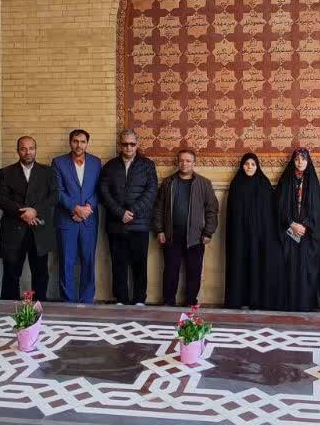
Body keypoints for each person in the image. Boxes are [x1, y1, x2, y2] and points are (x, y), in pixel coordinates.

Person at [98, 129, 158, 305]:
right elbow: (104, 192)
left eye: (132, 144)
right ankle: (121, 298)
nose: (129, 147)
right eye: (125, 144)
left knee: (140, 264)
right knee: (119, 263)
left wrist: (132, 212)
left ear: (137, 144)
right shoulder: (110, 166)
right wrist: (120, 213)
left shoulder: (147, 165)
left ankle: (140, 299)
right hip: (116, 224)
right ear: (120, 145)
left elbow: (151, 191)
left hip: (139, 224)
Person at [152, 148, 219, 307]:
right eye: (181, 160)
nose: (184, 163)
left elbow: (212, 209)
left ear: (194, 163)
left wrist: (208, 232)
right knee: (170, 271)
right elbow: (159, 208)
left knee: (194, 272)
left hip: (196, 237)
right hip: (171, 235)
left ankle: (191, 303)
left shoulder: (204, 183)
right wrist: (159, 230)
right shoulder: (168, 182)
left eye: (188, 161)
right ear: (177, 162)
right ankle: (168, 302)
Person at [0, 136, 58, 301]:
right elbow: (1, 199)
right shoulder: (6, 172)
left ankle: (39, 307)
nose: (28, 152)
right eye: (23, 149)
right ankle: (10, 307)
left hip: (39, 230)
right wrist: (23, 213)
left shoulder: (47, 172)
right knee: (11, 273)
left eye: (31, 148)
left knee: (40, 273)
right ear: (17, 151)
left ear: (35, 150)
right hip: (13, 231)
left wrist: (35, 211)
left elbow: (54, 196)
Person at [53, 129, 102, 303]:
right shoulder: (58, 162)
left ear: (87, 143)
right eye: (75, 141)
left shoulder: (96, 162)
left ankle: (87, 300)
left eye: (82, 141)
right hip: (67, 220)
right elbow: (58, 191)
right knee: (66, 262)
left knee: (88, 262)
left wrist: (88, 207)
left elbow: (99, 189)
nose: (79, 145)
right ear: (70, 142)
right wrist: (75, 209)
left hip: (89, 220)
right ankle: (68, 301)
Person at [273, 148, 320, 312]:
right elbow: (279, 206)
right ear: (293, 161)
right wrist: (291, 224)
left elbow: (317, 209)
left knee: (306, 268)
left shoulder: (312, 181)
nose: (300, 162)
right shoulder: (286, 180)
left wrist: (305, 225)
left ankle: (305, 304)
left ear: (308, 161)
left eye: (303, 159)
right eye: (297, 159)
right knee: (290, 267)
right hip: (289, 232)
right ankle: (290, 304)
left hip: (307, 233)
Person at [224, 153, 275, 310]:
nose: (249, 167)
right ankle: (237, 299)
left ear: (257, 166)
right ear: (242, 166)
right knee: (239, 264)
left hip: (259, 236)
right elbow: (231, 213)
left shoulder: (264, 184)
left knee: (257, 265)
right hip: (239, 235)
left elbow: (270, 213)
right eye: (246, 164)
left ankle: (256, 300)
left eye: (253, 164)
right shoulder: (236, 184)